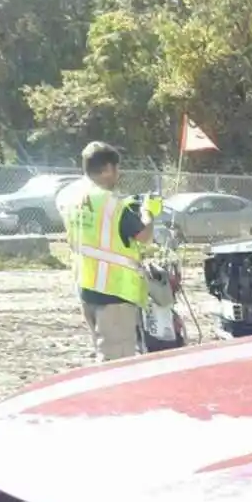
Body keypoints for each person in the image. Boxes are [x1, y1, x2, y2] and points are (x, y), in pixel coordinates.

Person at [58, 141, 160, 362]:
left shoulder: (72, 197)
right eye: (116, 169)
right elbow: (144, 237)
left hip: (86, 286)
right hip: (115, 292)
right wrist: (148, 214)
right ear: (106, 169)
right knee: (118, 360)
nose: (118, 174)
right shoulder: (111, 202)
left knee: (102, 351)